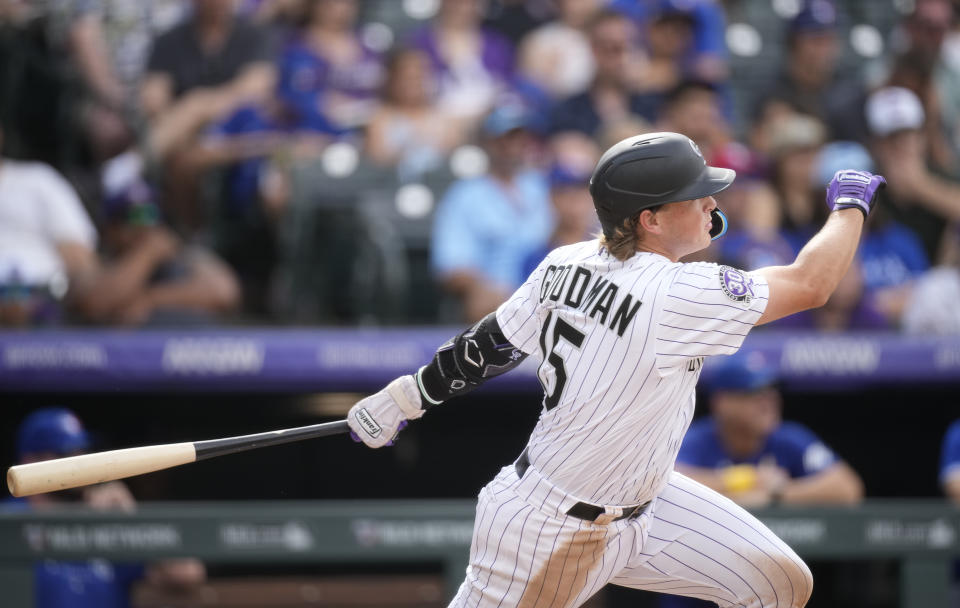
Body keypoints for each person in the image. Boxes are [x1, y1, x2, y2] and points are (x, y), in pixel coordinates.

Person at [347, 131, 885, 607]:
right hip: (550, 529)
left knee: (778, 583)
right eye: (695, 197)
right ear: (649, 219)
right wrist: (850, 204)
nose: (711, 203)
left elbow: (491, 346)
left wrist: (409, 397)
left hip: (645, 505)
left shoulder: (567, 260)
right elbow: (812, 283)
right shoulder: (676, 291)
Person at [3, 408, 205, 608]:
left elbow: (187, 575)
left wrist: (133, 519)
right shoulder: (9, 519)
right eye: (66, 453)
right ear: (30, 462)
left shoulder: (103, 517)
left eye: (81, 451)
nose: (79, 461)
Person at [676, 350, 864, 508]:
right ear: (722, 403)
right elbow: (667, 483)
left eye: (771, 391)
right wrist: (746, 479)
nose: (768, 402)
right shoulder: (695, 438)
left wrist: (777, 494)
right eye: (754, 393)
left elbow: (848, 489)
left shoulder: (788, 438)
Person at [430, 103, 552, 322]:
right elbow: (452, 267)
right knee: (482, 301)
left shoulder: (540, 186)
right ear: (488, 143)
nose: (513, 146)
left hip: (550, 289)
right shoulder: (465, 195)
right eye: (505, 138)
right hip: (497, 295)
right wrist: (492, 290)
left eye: (519, 138)